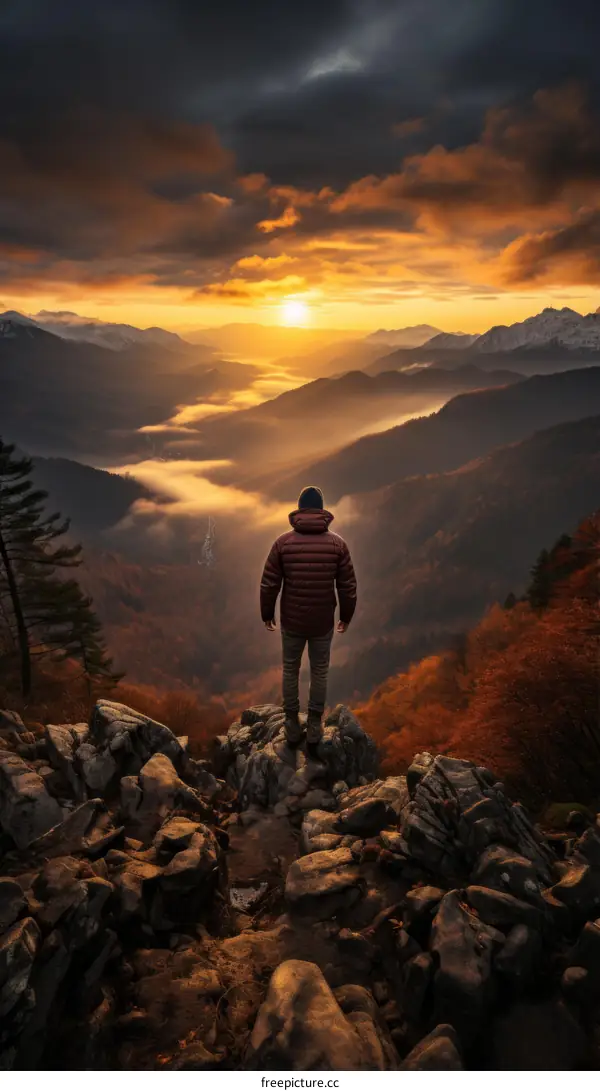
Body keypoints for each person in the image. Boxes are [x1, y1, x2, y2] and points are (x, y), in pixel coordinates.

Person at [260, 485, 357, 749]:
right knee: (319, 671)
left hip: (292, 620)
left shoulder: (283, 543)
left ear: (300, 510)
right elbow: (347, 586)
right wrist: (346, 616)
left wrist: (267, 613)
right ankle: (314, 725)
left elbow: (270, 583)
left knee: (290, 669)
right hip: (322, 621)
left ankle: (291, 724)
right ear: (322, 510)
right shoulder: (338, 545)